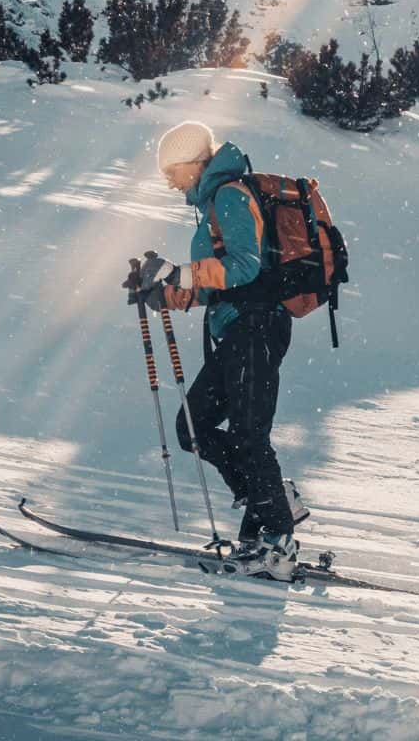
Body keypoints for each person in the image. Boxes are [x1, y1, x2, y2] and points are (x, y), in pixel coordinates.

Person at [133, 120, 307, 579]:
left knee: (250, 435)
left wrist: (180, 274)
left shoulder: (229, 194)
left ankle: (277, 543)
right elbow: (220, 282)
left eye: (172, 171)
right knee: (194, 428)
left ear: (195, 163)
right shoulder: (213, 204)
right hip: (236, 329)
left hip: (257, 328)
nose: (169, 181)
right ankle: (272, 502)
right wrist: (166, 293)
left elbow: (246, 267)